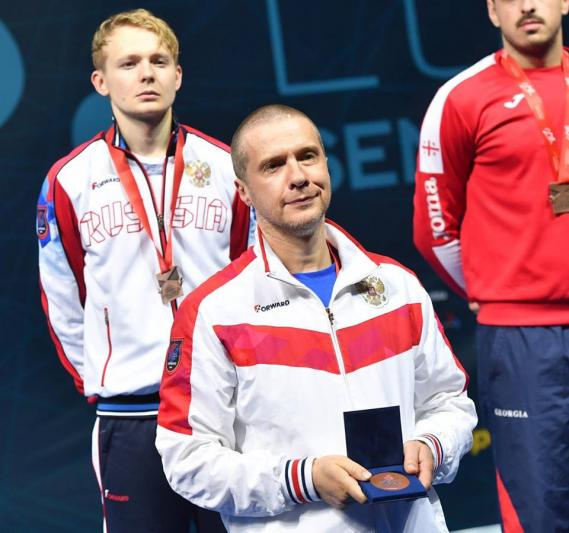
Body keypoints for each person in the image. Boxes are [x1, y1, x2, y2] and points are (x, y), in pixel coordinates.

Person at [156, 104, 477, 532]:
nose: (298, 177)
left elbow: (449, 402)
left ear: (326, 163)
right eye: (273, 165)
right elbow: (187, 459)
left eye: (307, 156)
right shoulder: (214, 312)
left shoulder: (398, 288)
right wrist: (301, 479)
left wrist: (433, 445)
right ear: (243, 192)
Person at [36, 8, 252, 532]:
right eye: (129, 63)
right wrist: (103, 378)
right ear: (101, 81)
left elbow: (250, 276)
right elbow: (62, 294)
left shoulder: (225, 166)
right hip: (129, 414)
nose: (146, 74)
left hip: (222, 406)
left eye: (158, 61)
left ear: (178, 75)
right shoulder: (70, 180)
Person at [413, 1, 569, 531]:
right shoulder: (462, 97)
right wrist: (499, 290)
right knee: (537, 505)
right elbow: (436, 228)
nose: (527, 5)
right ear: (492, 11)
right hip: (521, 335)